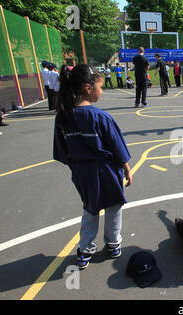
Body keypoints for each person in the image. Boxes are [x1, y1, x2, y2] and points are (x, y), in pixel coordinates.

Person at [53, 64, 132, 269]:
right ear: (88, 88)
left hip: (81, 172)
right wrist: (126, 168)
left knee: (90, 208)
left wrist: (77, 166)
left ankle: (85, 249)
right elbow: (117, 147)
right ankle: (113, 243)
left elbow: (62, 151)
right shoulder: (100, 117)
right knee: (113, 206)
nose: (102, 90)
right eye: (99, 86)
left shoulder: (63, 117)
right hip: (106, 170)